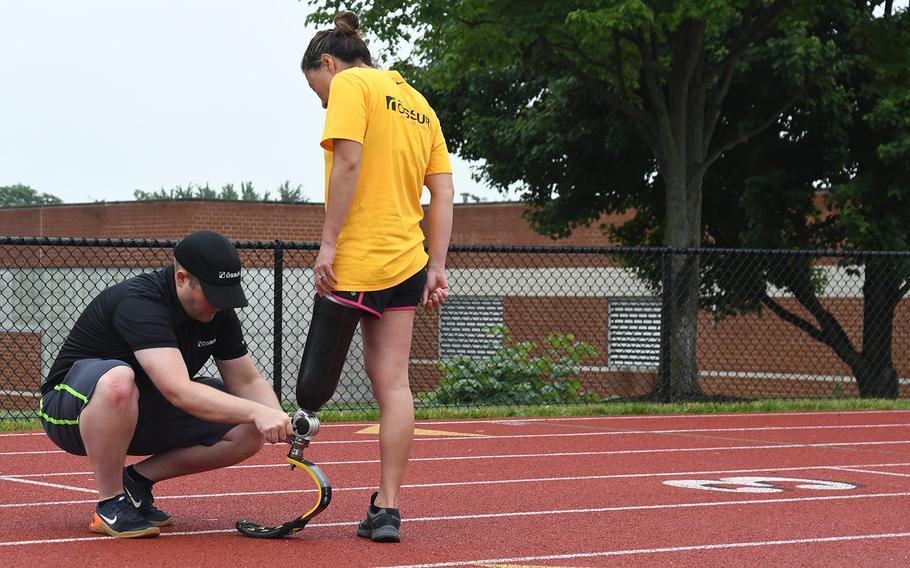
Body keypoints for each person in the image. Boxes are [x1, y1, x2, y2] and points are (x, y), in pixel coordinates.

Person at [297, 11, 454, 543]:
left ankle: (302, 437)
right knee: (395, 385)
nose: (321, 101)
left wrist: (328, 243)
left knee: (316, 383)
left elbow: (347, 162)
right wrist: (437, 265)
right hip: (410, 260)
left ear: (327, 64)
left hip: (360, 257)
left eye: (317, 91)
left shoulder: (350, 85)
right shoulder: (418, 102)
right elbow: (444, 193)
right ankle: (387, 508)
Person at [38, 230, 293, 539]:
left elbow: (248, 380)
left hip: (141, 411)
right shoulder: (141, 302)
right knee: (119, 379)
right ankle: (110, 503)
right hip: (70, 412)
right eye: (212, 294)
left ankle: (136, 481)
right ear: (182, 278)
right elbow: (178, 391)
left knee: (248, 428)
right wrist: (257, 411)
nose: (219, 305)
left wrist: (279, 419)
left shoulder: (218, 312)